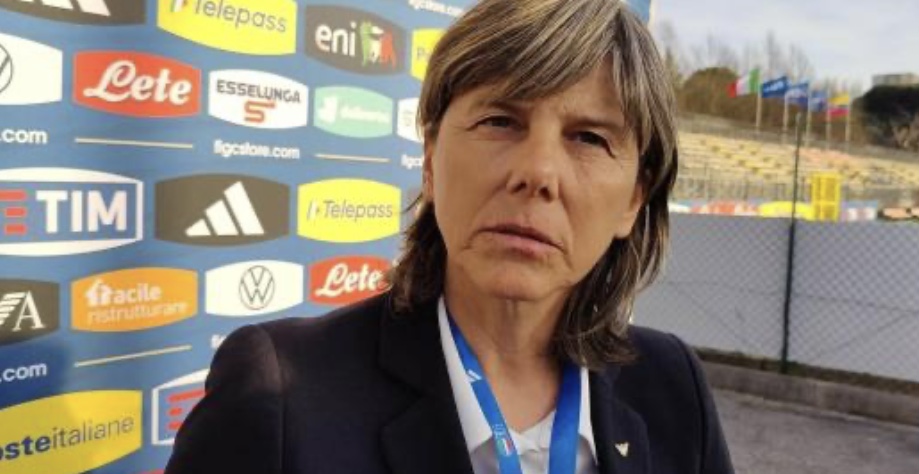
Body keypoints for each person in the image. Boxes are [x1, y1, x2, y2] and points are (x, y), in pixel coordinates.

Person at [165, 0, 735, 473]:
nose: (537, 172)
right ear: (431, 161)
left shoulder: (673, 387)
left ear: (634, 199)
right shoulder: (280, 395)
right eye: (500, 121)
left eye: (588, 138)